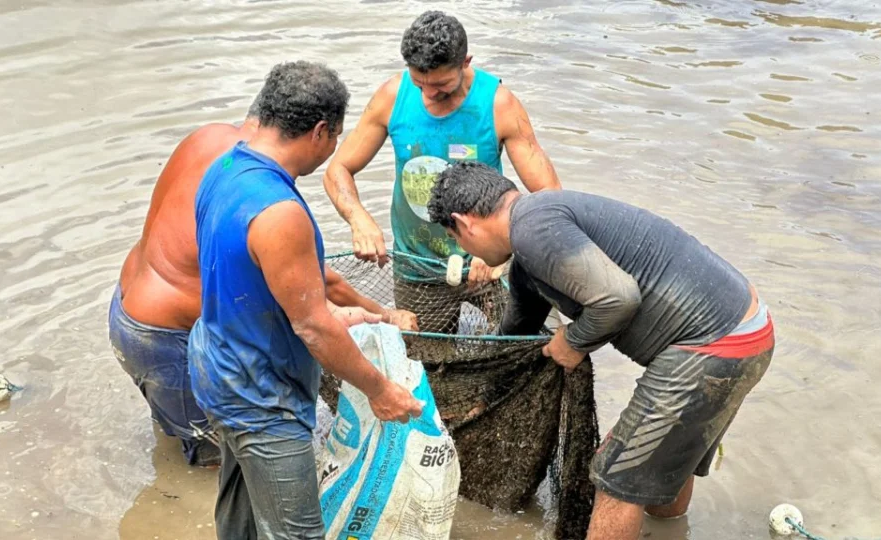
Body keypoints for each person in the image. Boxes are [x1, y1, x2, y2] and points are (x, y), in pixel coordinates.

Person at [427, 162, 775, 540]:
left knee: (615, 481)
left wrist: (573, 341)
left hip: (712, 346)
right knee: (663, 468)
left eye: (455, 238)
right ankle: (669, 532)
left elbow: (619, 299)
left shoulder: (532, 229)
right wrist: (485, 399)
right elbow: (516, 333)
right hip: (750, 331)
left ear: (465, 223)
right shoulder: (534, 236)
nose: (462, 248)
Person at [110, 88, 415, 468]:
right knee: (221, 459)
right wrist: (384, 315)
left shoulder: (210, 141)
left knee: (181, 431)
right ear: (315, 133)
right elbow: (320, 291)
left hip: (127, 306)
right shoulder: (258, 190)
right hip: (164, 337)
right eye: (334, 136)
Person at [188, 61, 424, 539]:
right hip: (260, 398)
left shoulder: (225, 167)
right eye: (336, 137)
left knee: (241, 515)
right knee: (296, 534)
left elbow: (259, 280)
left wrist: (353, 313)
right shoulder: (280, 212)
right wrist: (380, 390)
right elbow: (313, 328)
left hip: (215, 365)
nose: (334, 147)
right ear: (321, 132)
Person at [323, 10, 561, 332]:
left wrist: (502, 251)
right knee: (428, 362)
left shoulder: (498, 105)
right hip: (418, 267)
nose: (428, 95)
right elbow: (338, 168)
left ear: (465, 62)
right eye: (419, 83)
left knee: (539, 342)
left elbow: (550, 198)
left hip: (490, 265)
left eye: (440, 85)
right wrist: (358, 219)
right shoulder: (392, 97)